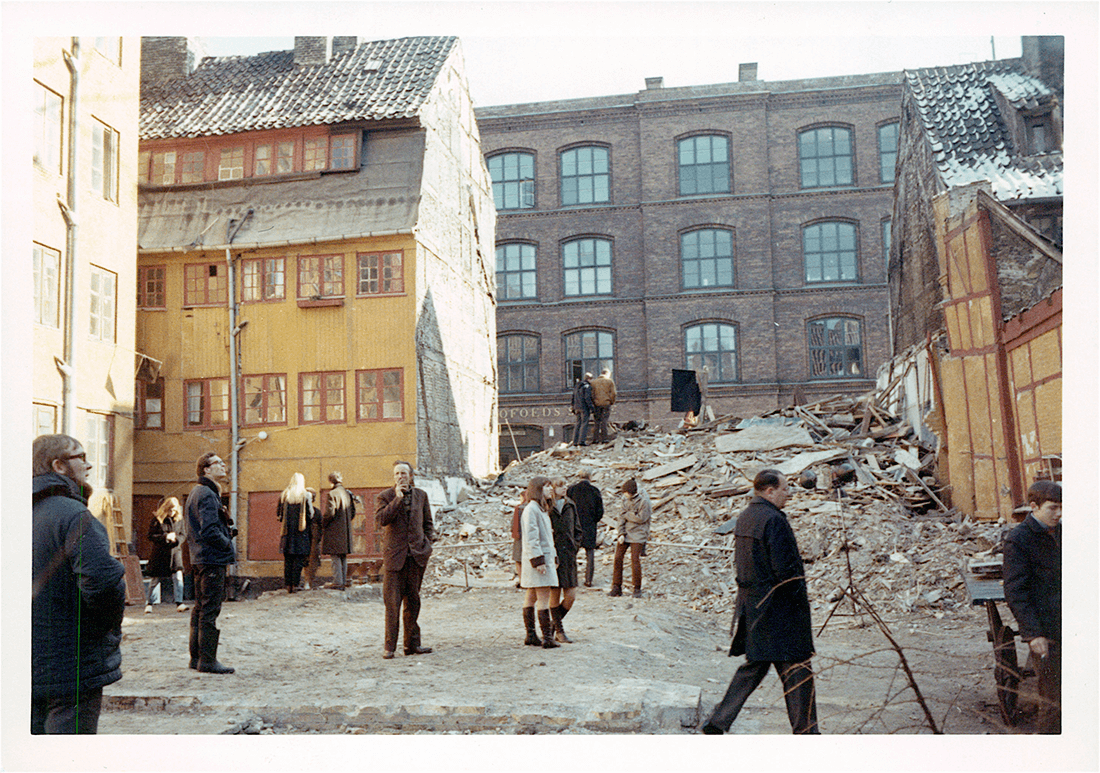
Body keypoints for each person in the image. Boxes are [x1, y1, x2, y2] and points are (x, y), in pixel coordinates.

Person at [703, 469, 819, 734]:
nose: (788, 493)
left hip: (754, 606)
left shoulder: (745, 517)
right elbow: (786, 571)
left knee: (755, 666)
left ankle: (717, 722)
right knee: (798, 669)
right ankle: (807, 732)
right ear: (769, 491)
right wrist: (797, 604)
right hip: (780, 610)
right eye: (785, 489)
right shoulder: (773, 520)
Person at [32, 434, 126, 734]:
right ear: (59, 466)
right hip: (71, 664)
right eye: (80, 457)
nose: (87, 464)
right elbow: (104, 583)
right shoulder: (73, 514)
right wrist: (103, 629)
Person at [1003, 480, 1061, 734]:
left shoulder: (1061, 533)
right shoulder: (1019, 539)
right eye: (1053, 508)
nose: (1059, 514)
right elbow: (1016, 592)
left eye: (1062, 508)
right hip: (1046, 629)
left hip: (1070, 625)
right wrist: (1033, 633)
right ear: (1034, 506)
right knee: (1054, 697)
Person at [375, 461, 435, 659]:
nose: (400, 476)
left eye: (403, 473)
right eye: (397, 473)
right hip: (395, 558)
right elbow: (382, 519)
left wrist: (426, 545)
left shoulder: (421, 496)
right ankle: (389, 647)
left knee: (413, 602)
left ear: (410, 476)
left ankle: (412, 645)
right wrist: (398, 499)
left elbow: (428, 523)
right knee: (392, 604)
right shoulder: (385, 497)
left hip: (416, 557)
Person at [185, 451, 236, 674]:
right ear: (206, 469)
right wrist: (227, 543)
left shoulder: (198, 491)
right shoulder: (207, 493)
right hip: (211, 558)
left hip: (200, 557)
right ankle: (207, 660)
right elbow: (209, 529)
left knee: (200, 608)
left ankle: (196, 658)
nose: (224, 465)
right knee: (210, 609)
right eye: (218, 463)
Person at [519, 476, 561, 649]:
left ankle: (531, 635)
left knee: (532, 596)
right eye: (546, 487)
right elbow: (532, 538)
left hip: (542, 558)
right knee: (543, 597)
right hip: (538, 561)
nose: (549, 490)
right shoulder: (532, 510)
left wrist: (553, 556)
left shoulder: (540, 509)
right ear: (537, 489)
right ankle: (547, 639)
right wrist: (539, 561)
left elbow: (547, 538)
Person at [548, 478, 584, 642]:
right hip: (553, 555)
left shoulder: (570, 504)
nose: (564, 488)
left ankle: (551, 626)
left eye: (565, 486)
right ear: (553, 489)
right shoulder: (547, 506)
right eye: (560, 486)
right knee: (554, 594)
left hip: (568, 555)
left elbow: (577, 528)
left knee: (570, 596)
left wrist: (575, 545)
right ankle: (559, 631)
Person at [609, 478, 651, 598]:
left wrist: (627, 515)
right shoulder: (624, 500)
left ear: (630, 492)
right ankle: (616, 587)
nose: (624, 495)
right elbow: (620, 519)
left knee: (635, 560)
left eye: (625, 492)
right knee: (617, 558)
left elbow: (642, 518)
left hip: (639, 534)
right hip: (626, 533)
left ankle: (637, 589)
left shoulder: (644, 502)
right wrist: (620, 533)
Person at [145, 497, 188, 613]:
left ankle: (179, 602)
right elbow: (150, 536)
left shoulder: (179, 519)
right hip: (160, 553)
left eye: (174, 510)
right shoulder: (157, 520)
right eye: (170, 510)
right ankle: (149, 603)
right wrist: (165, 537)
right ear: (166, 509)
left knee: (178, 577)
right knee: (155, 580)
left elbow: (183, 534)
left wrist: (176, 539)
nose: (172, 513)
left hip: (175, 553)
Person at [276, 474, 314, 594]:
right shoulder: (305, 495)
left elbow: (279, 515)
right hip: (301, 533)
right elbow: (310, 514)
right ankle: (295, 584)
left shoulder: (284, 495)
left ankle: (288, 585)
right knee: (298, 560)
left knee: (288, 560)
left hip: (287, 532)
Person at [567, 468, 604, 587]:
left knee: (572, 553)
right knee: (590, 554)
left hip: (574, 525)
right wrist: (593, 521)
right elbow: (600, 511)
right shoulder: (594, 491)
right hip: (589, 526)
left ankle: (572, 579)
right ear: (590, 477)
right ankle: (588, 580)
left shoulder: (571, 490)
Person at [322, 471, 357, 590]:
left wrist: (323, 524)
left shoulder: (332, 494)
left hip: (334, 530)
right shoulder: (347, 493)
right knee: (343, 556)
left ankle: (337, 582)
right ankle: (343, 581)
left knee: (335, 556)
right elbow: (352, 512)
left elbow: (329, 513)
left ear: (330, 481)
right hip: (345, 530)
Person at [589, 368, 617, 443]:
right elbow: (613, 393)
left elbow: (591, 394)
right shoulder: (609, 381)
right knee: (604, 421)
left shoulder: (594, 382)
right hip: (606, 403)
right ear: (607, 374)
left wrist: (594, 402)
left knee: (597, 421)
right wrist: (611, 401)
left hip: (597, 404)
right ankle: (604, 438)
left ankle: (595, 439)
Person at [511, 489, 531, 586]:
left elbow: (513, 525)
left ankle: (522, 580)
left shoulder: (519, 508)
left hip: (519, 537)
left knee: (518, 560)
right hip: (528, 536)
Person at [571, 373, 595, 446]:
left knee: (578, 423)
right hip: (584, 407)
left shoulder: (577, 386)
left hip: (576, 407)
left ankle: (575, 441)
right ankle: (582, 441)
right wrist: (592, 407)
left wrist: (573, 407)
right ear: (589, 379)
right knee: (584, 423)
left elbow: (573, 397)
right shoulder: (587, 386)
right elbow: (587, 398)